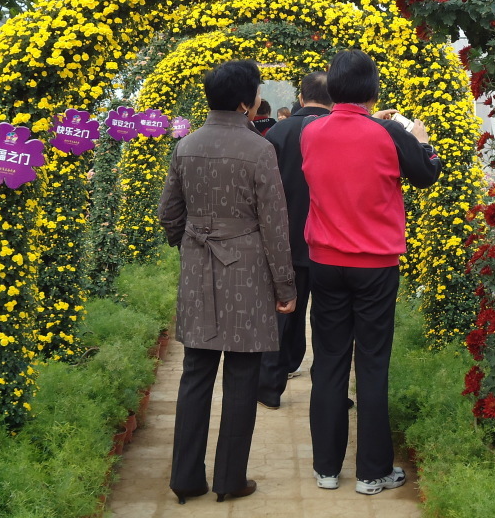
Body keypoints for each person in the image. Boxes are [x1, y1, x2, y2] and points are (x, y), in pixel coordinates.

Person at [301, 49, 442, 496]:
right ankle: (372, 472)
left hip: (324, 262)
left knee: (329, 362)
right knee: (373, 364)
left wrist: (371, 121)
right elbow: (425, 175)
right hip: (376, 265)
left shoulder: (311, 132)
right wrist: (419, 139)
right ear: (374, 89)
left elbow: (344, 138)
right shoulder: (389, 134)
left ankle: (326, 468)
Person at [158, 60, 297, 504]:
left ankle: (185, 479)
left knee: (196, 372)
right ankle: (229, 479)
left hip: (200, 265)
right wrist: (286, 287)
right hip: (248, 272)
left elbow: (169, 212)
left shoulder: (186, 147)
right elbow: (275, 226)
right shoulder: (259, 150)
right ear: (246, 101)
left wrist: (190, 242)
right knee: (241, 374)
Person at [257, 71, 332, 409]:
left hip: (286, 239)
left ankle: (271, 388)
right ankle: (330, 394)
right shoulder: (341, 133)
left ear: (301, 98)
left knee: (282, 316)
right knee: (331, 324)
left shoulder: (278, 133)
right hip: (331, 241)